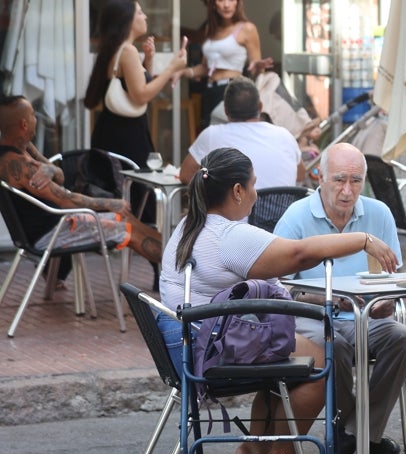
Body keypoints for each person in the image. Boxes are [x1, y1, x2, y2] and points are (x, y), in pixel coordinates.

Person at [157, 147, 399, 454]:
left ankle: (253, 449)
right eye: (253, 185)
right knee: (316, 363)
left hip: (188, 342)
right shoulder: (230, 236)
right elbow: (298, 253)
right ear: (237, 191)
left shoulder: (189, 226)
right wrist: (363, 240)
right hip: (211, 350)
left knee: (286, 351)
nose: (256, 193)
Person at [273, 142, 406, 454]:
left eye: (355, 180)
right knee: (333, 346)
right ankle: (361, 437)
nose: (347, 191)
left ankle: (356, 433)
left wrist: (387, 303)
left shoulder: (378, 213)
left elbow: (394, 280)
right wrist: (320, 298)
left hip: (365, 315)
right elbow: (276, 287)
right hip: (311, 316)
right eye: (339, 180)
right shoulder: (296, 217)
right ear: (319, 177)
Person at [0, 95, 163, 265]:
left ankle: (176, 251)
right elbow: (66, 200)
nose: (36, 118)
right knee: (130, 231)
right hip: (54, 233)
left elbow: (60, 177)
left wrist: (51, 169)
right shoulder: (21, 165)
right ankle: (178, 269)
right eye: (33, 115)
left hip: (61, 223)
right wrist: (110, 203)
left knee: (127, 218)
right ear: (24, 124)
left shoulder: (23, 148)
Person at [83, 0, 187, 172]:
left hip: (113, 130)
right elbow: (141, 95)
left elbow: (134, 86)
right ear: (127, 20)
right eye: (139, 13)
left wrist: (148, 60)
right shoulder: (127, 51)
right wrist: (171, 68)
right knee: (134, 190)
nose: (145, 16)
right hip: (126, 135)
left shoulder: (117, 48)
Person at [179, 76, 302, 187]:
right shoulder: (285, 136)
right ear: (260, 107)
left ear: (226, 111)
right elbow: (301, 174)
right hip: (281, 212)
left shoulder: (212, 135)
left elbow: (186, 175)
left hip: (235, 211)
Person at [181, 0, 273, 129]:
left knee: (229, 139)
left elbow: (257, 71)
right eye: (221, 0)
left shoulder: (247, 28)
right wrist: (184, 72)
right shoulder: (211, 29)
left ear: (237, 2)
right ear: (213, 3)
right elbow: (206, 67)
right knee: (210, 136)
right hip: (209, 90)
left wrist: (257, 67)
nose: (226, 5)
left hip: (231, 88)